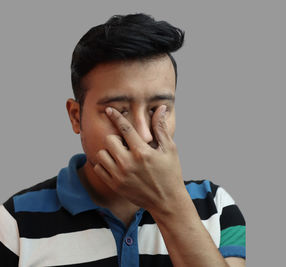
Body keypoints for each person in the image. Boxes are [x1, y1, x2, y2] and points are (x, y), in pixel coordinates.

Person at [0, 13, 245, 267]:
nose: (143, 134)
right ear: (76, 117)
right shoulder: (14, 224)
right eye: (118, 111)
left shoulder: (217, 208)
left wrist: (169, 203)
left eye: (157, 110)